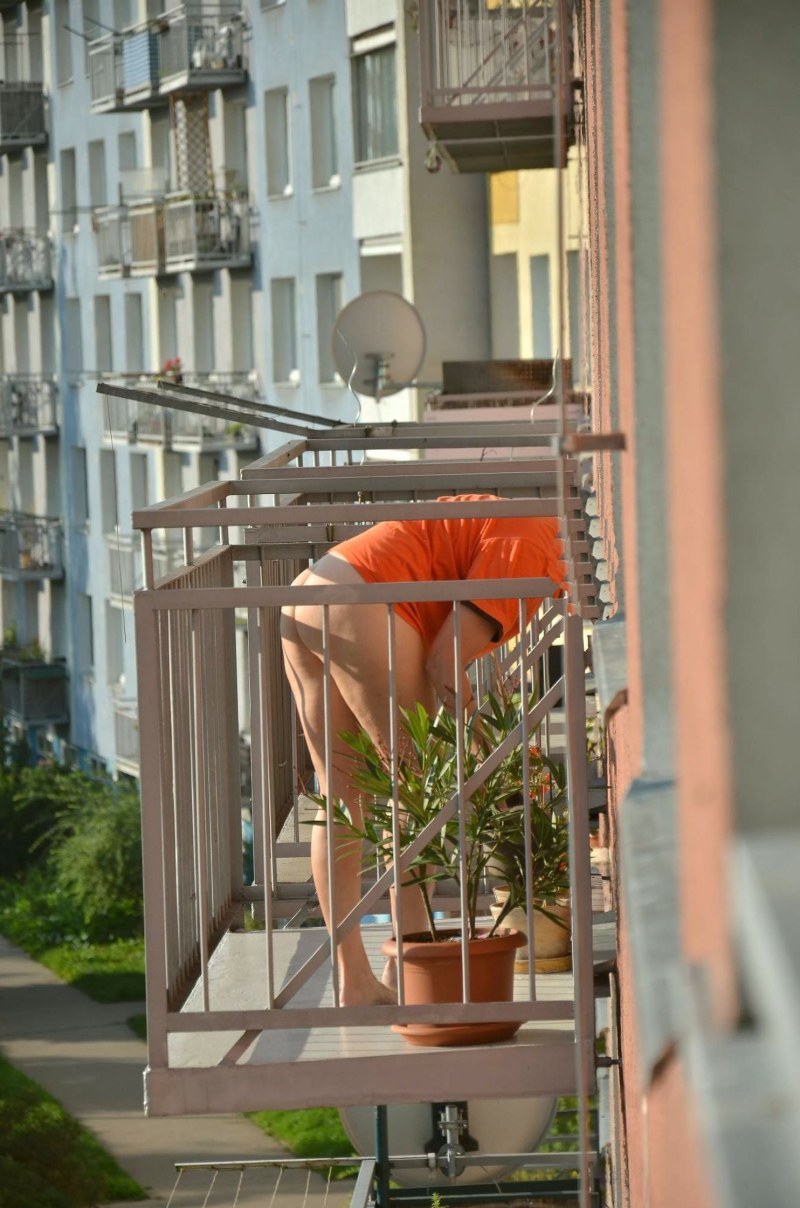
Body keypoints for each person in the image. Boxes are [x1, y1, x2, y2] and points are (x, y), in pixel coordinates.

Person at [280, 494, 567, 1006]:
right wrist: (487, 752)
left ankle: (358, 981)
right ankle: (411, 978)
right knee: (413, 794)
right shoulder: (534, 545)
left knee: (343, 795)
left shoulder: (523, 522)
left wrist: (479, 740)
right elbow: (444, 662)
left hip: (313, 590)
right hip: (366, 598)